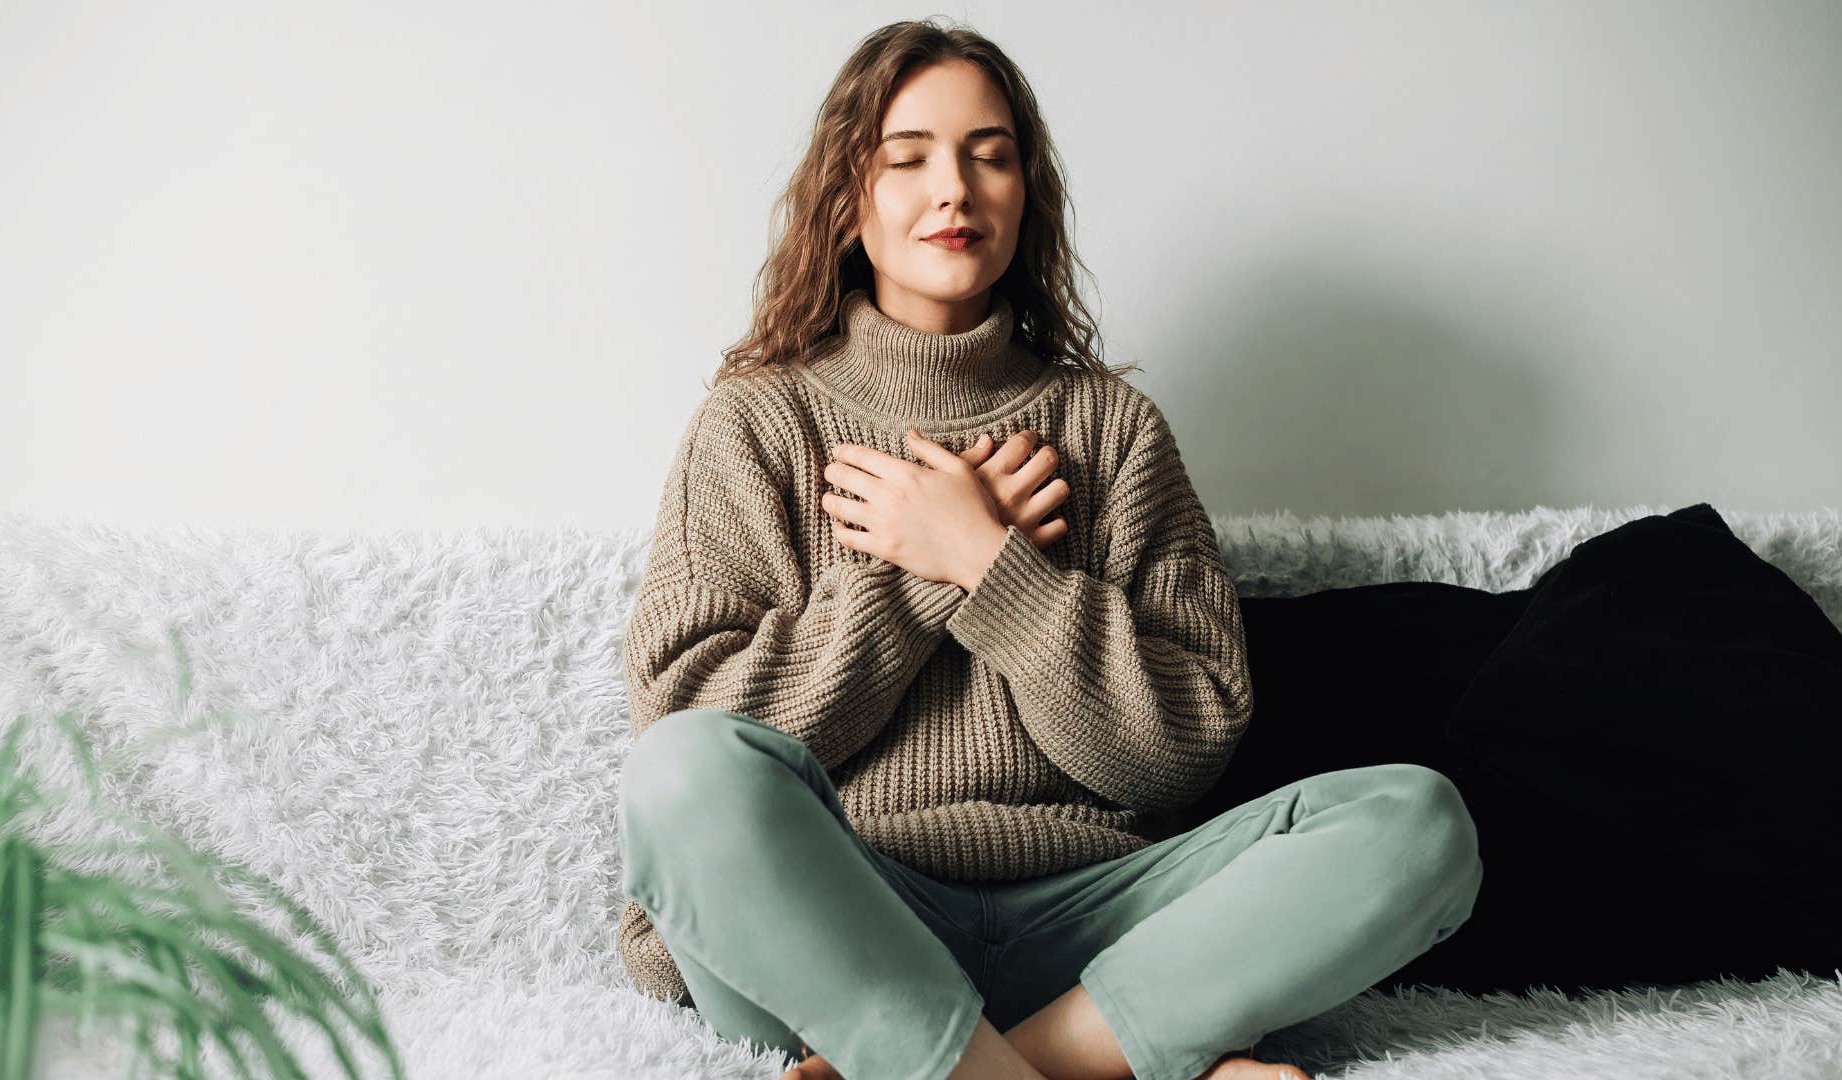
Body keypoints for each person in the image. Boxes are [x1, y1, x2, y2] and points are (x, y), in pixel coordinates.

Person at [616, 19, 1482, 1080]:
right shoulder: (757, 422)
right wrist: (907, 578)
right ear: (848, 196)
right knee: (676, 773)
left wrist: (994, 567)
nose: (956, 189)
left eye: (991, 154)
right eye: (909, 156)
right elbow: (693, 726)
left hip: (1107, 925)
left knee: (1417, 825)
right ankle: (1105, 1060)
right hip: (847, 925)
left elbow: (1181, 744)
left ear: (1028, 193)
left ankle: (967, 1065)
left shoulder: (1113, 429)